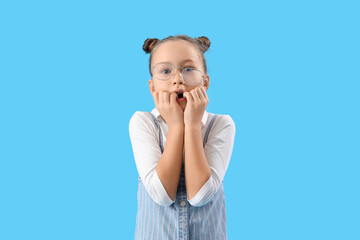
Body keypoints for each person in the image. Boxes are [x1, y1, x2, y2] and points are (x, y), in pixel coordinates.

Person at [129, 34, 236, 240]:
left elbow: (200, 196)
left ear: (205, 83)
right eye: (166, 71)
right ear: (152, 87)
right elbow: (161, 195)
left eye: (188, 69)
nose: (177, 79)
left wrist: (193, 124)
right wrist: (177, 125)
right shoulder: (142, 122)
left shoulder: (221, 124)